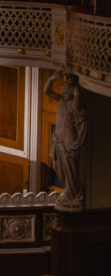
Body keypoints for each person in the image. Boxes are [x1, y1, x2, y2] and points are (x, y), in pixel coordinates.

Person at [45, 69, 87, 211]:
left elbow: (78, 94)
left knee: (70, 170)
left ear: (72, 91)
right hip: (57, 139)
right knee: (58, 166)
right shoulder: (61, 101)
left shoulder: (74, 105)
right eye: (62, 91)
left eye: (66, 91)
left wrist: (74, 81)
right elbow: (47, 91)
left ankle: (72, 194)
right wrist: (52, 78)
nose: (63, 93)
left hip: (68, 140)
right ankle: (67, 192)